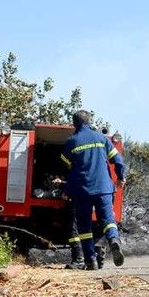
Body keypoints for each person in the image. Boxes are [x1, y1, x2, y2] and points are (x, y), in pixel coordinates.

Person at [61, 110, 126, 270]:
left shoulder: (72, 142)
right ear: (89, 122)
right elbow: (118, 160)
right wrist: (121, 177)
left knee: (84, 226)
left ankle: (91, 261)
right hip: (104, 188)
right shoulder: (102, 139)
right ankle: (113, 240)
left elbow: (67, 166)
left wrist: (66, 188)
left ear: (74, 124)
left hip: (83, 190)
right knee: (107, 220)